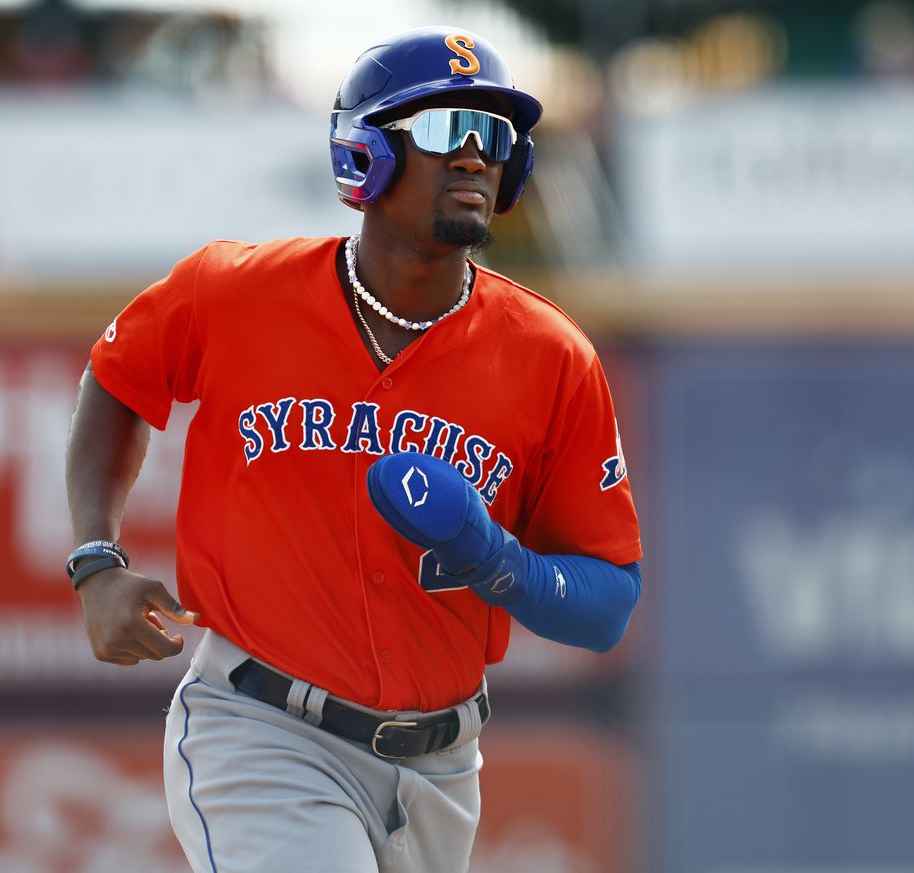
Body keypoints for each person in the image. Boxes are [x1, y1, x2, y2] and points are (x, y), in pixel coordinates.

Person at [64, 26, 642, 873]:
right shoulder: (233, 292)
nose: (476, 156)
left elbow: (607, 603)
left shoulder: (552, 357)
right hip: (263, 729)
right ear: (364, 156)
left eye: (497, 137)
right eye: (449, 129)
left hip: (441, 771)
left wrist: (491, 554)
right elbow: (117, 379)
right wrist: (95, 557)